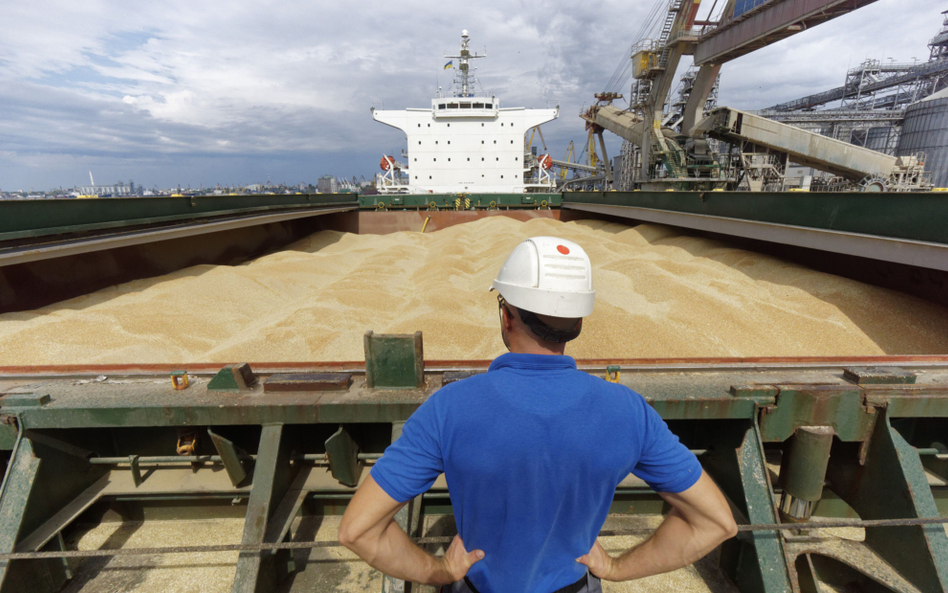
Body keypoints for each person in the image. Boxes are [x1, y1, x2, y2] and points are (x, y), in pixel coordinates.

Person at [339, 236, 737, 593]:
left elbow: (358, 530)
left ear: (506, 316)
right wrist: (615, 567)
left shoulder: (449, 408)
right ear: (578, 322)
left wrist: (439, 570)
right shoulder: (628, 411)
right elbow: (716, 523)